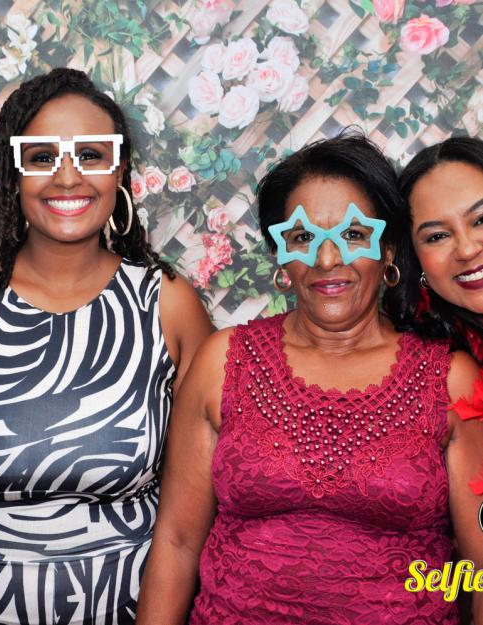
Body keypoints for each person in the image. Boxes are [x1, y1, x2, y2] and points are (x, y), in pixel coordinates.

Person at [136, 134, 483, 625]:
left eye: (353, 234)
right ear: (280, 254)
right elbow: (176, 542)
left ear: (389, 249)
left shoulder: (449, 378)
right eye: (302, 238)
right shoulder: (224, 361)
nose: (326, 259)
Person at [0, 67, 211, 625]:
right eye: (41, 157)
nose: (67, 177)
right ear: (13, 173)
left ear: (119, 170)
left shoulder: (167, 303)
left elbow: (190, 518)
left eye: (89, 154)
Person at [394, 136, 483, 362]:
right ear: (415, 259)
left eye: (481, 220)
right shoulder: (430, 370)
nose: (467, 250)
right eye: (437, 236)